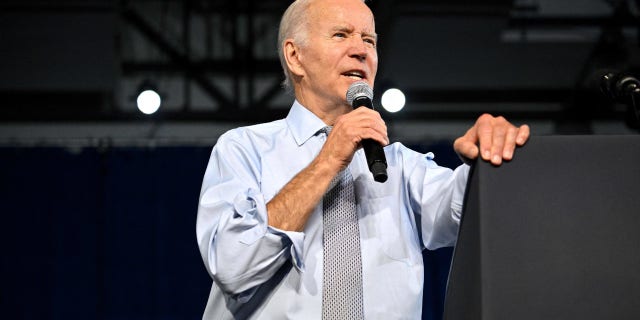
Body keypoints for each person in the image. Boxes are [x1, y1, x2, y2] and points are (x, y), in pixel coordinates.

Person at [195, 0, 530, 318]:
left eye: (369, 39)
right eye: (341, 34)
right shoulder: (244, 149)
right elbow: (233, 266)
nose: (361, 50)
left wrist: (485, 161)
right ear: (295, 56)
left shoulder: (400, 166)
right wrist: (328, 161)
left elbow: (465, 215)